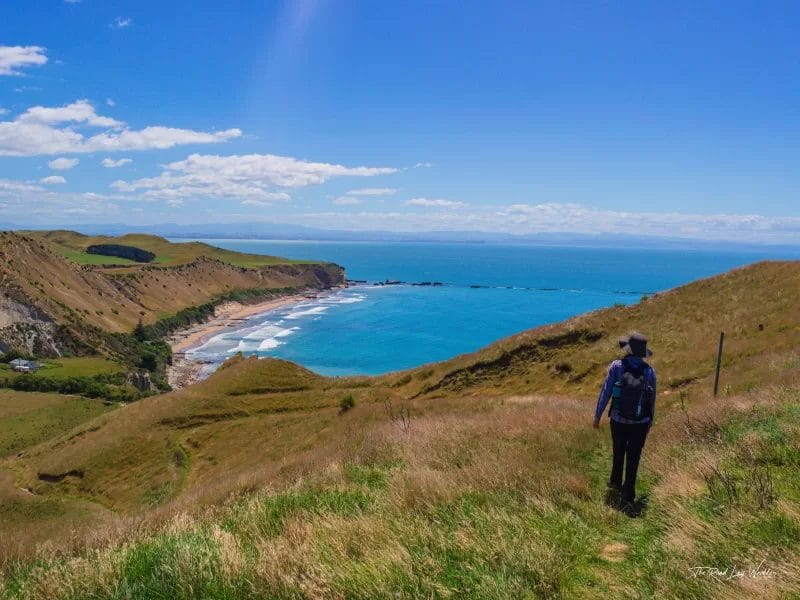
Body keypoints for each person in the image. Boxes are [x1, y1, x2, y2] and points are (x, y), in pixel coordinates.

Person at [593, 331, 656, 508]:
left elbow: (606, 392)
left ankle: (615, 485)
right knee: (634, 457)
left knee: (618, 452)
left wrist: (597, 416)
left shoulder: (616, 366)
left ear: (628, 350)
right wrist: (650, 421)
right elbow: (652, 399)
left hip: (618, 420)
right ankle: (629, 495)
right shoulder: (649, 371)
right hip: (641, 422)